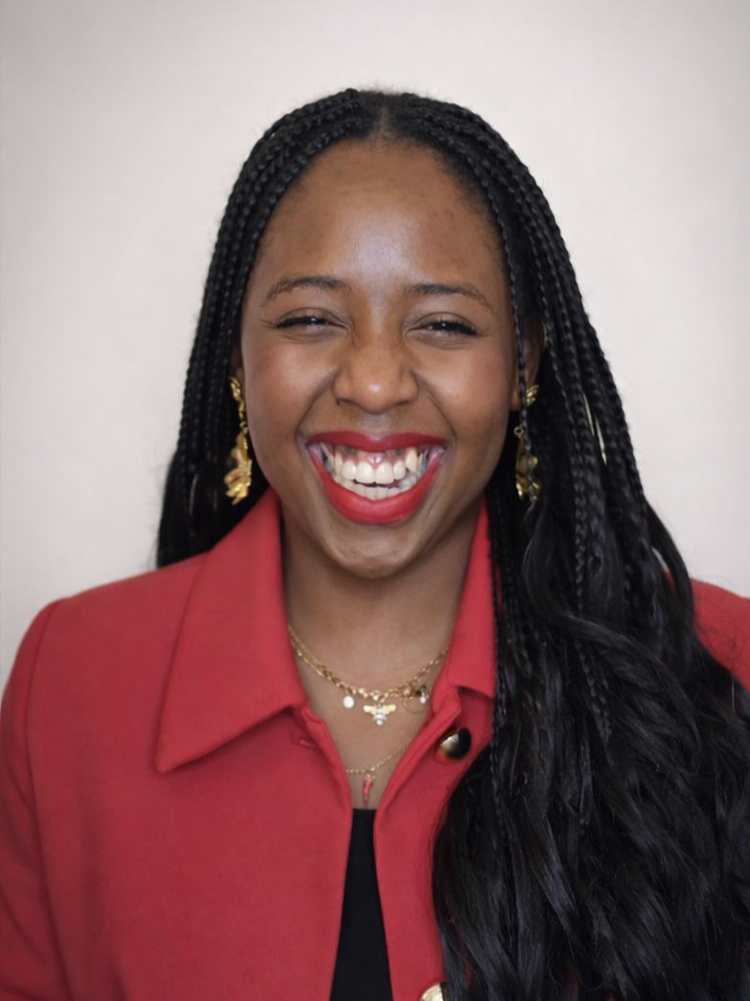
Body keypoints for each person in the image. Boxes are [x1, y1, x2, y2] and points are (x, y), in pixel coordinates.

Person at [1, 88, 748, 1001]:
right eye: (311, 319)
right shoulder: (71, 683)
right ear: (238, 360)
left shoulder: (713, 671)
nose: (376, 381)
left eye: (443, 324)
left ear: (525, 367)